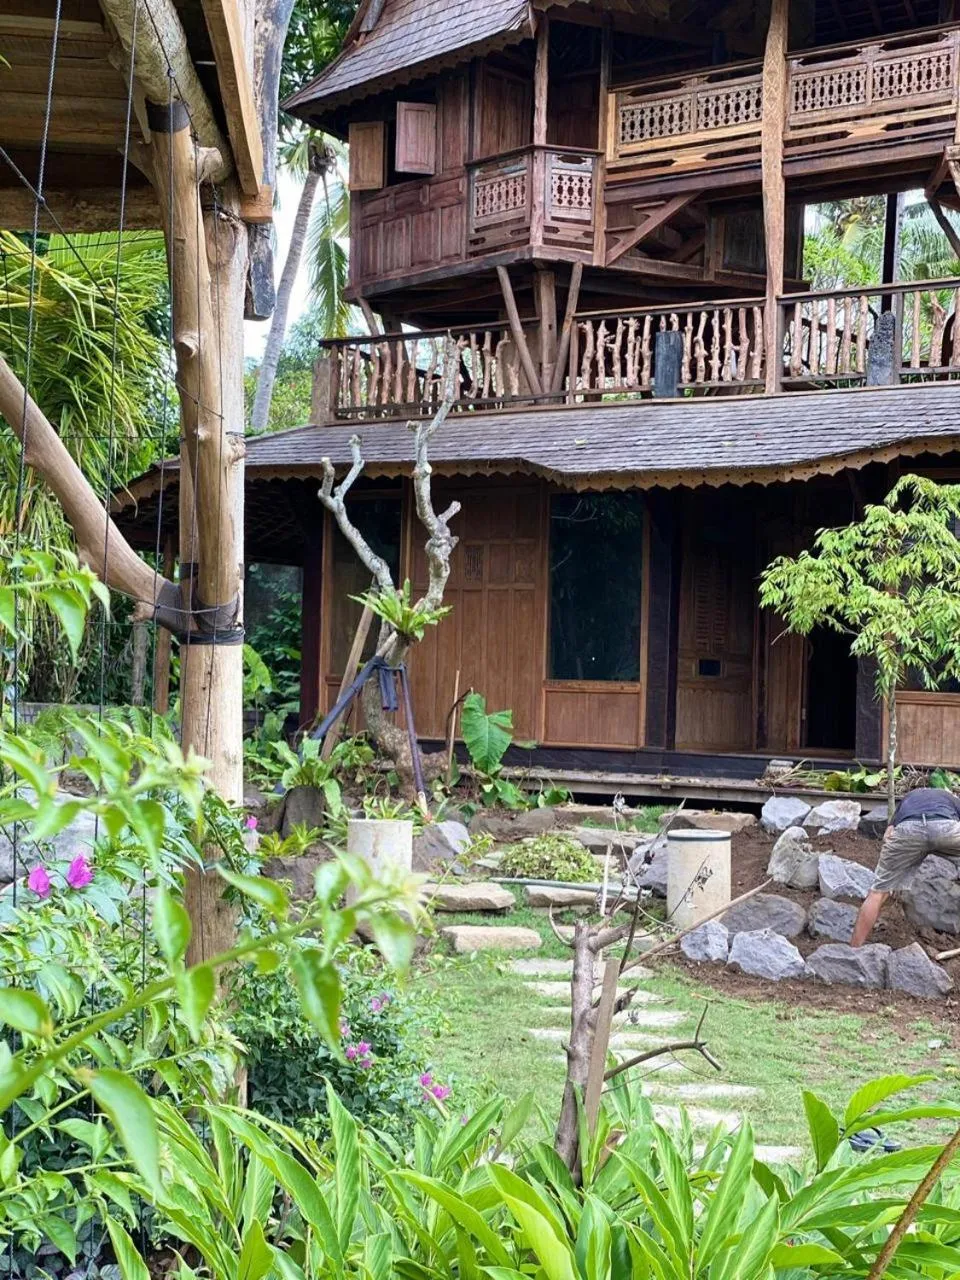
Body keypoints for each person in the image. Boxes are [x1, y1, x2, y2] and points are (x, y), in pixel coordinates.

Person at [852, 785, 960, 946]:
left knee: (877, 892)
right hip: (946, 828)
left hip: (908, 830)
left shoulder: (907, 799)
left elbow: (887, 835)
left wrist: (896, 865)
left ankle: (854, 949)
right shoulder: (950, 797)